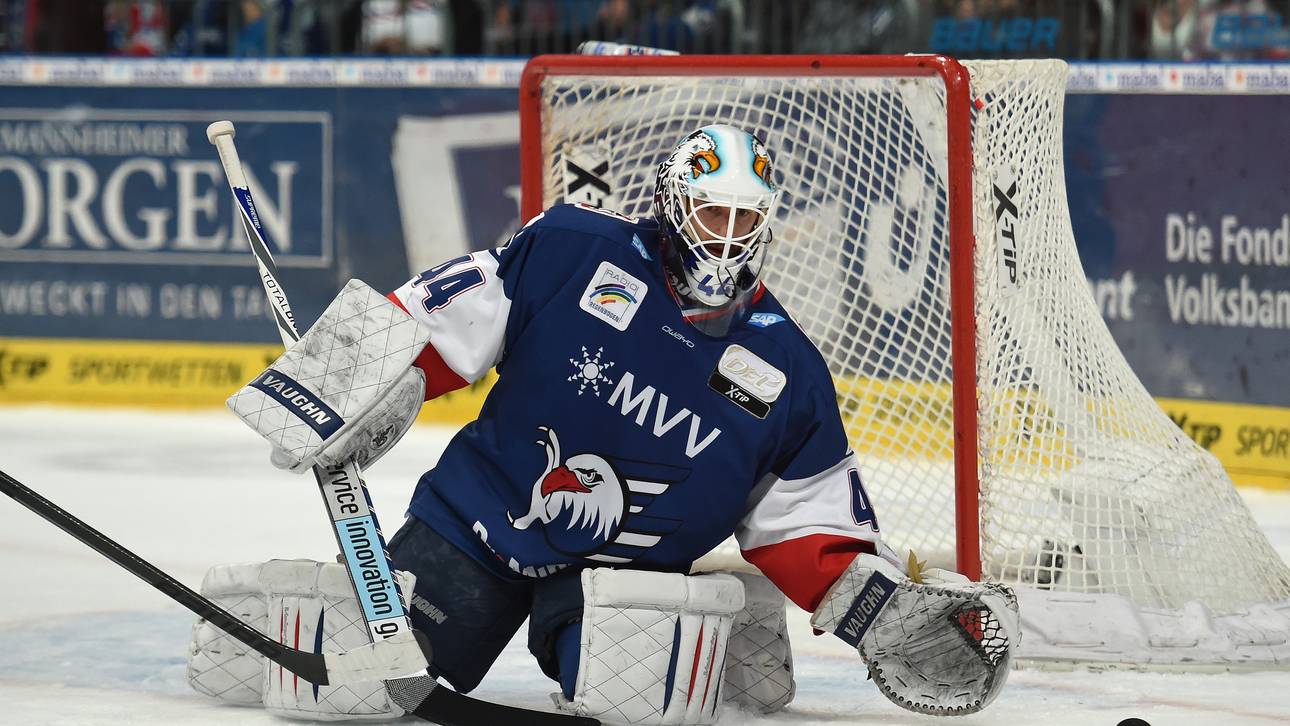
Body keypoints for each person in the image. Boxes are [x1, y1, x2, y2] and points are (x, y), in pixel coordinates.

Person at [194, 124, 1018, 724]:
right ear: (670, 203)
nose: (724, 236)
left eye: (742, 219)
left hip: (623, 580)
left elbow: (804, 520)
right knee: (357, 691)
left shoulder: (788, 371)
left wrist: (870, 607)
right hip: (476, 526)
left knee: (643, 708)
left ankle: (727, 624)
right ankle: (252, 615)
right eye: (709, 213)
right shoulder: (572, 249)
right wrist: (349, 388)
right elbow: (436, 317)